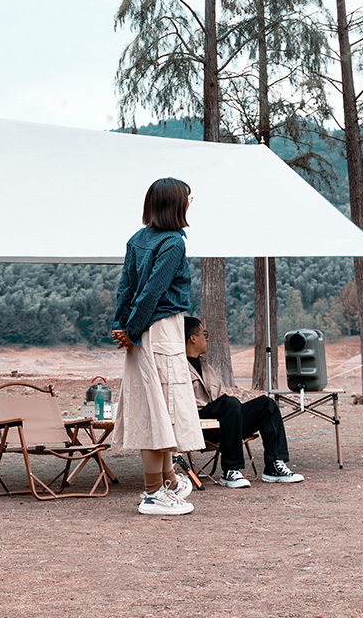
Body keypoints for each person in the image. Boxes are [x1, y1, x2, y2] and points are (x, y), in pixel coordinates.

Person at [111, 178, 205, 516]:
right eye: (188, 198)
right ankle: (153, 494)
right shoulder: (173, 243)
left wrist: (122, 327)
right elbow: (152, 291)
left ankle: (167, 484)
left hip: (141, 329)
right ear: (176, 205)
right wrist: (132, 329)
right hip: (160, 329)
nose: (190, 202)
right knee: (158, 409)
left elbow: (126, 287)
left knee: (157, 408)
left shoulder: (137, 239)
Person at [184, 315, 304, 488]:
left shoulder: (205, 367)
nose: (207, 339)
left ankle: (274, 466)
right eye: (205, 334)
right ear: (193, 338)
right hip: (199, 423)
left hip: (225, 422)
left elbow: (220, 397)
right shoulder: (178, 368)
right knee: (230, 403)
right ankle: (230, 471)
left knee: (266, 404)